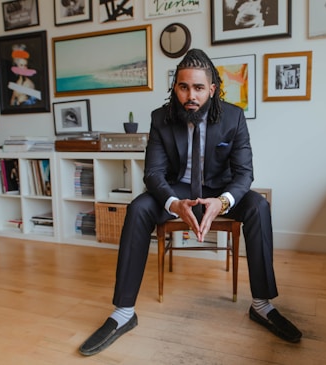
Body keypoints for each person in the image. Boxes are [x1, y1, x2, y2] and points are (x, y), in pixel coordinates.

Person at [78, 49, 302, 356]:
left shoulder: (234, 117)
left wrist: (221, 202)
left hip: (219, 191)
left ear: (212, 89)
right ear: (175, 88)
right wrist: (173, 203)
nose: (190, 96)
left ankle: (262, 305)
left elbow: (244, 173)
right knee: (139, 208)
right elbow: (154, 173)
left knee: (258, 207)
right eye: (183, 87)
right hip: (177, 189)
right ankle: (123, 313)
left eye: (198, 88)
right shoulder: (161, 118)